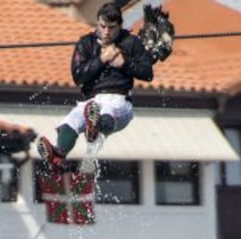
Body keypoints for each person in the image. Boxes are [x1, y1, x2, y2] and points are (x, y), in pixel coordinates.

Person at [37, 2, 154, 171]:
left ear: (120, 25)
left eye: (111, 28)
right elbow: (78, 76)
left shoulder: (131, 42)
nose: (106, 32)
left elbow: (147, 72)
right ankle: (58, 155)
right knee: (72, 119)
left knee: (107, 112)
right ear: (97, 23)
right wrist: (101, 60)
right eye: (102, 26)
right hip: (91, 101)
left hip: (119, 101)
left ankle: (95, 127)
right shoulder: (85, 43)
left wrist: (125, 63)